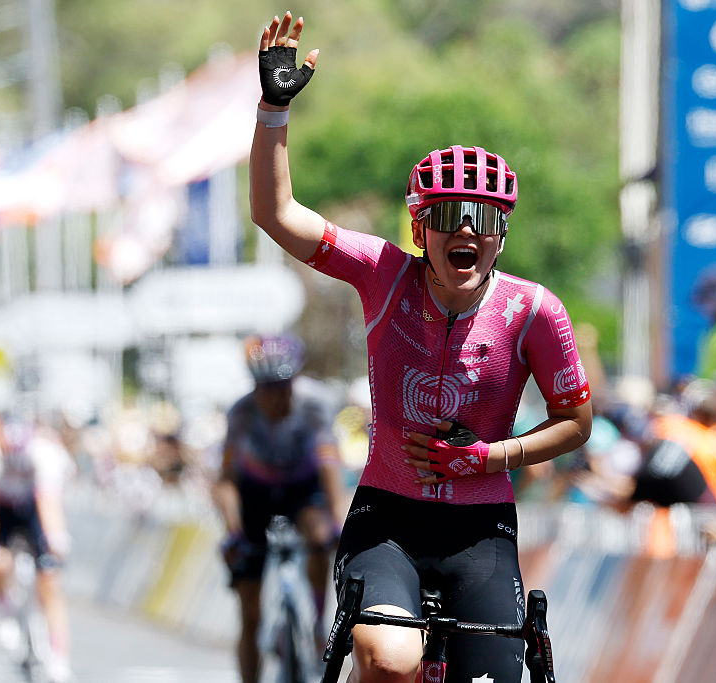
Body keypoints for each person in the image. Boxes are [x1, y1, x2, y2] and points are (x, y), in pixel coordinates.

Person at [250, 12, 592, 682]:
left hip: (482, 529)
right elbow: (276, 214)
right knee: (390, 657)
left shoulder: (534, 310)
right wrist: (273, 110)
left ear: (502, 234)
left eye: (486, 219)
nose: (467, 230)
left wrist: (491, 455)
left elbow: (578, 422)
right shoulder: (383, 274)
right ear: (419, 226)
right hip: (389, 520)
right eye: (446, 216)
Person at [211, 333, 348, 683]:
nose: (274, 396)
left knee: (320, 535)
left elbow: (330, 466)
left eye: (282, 385)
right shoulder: (241, 412)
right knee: (249, 609)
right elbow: (226, 482)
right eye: (265, 387)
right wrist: (234, 534)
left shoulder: (315, 402)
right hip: (255, 490)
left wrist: (338, 523)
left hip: (301, 488)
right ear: (254, 386)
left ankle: (318, 624)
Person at [0, 412, 75, 683]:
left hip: (34, 510)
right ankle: (4, 611)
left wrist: (56, 538)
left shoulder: (46, 455)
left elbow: (48, 503)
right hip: (2, 508)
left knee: (50, 581)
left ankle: (59, 658)